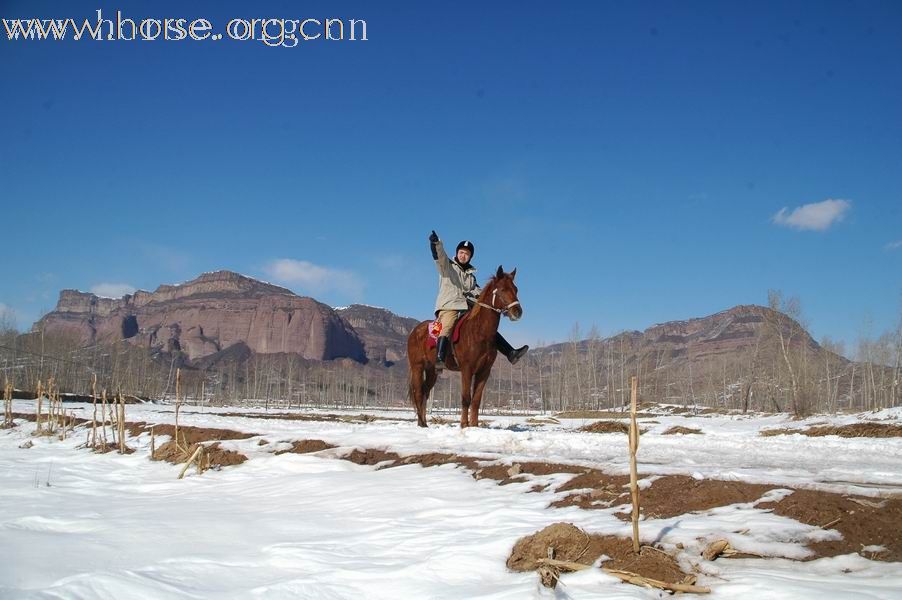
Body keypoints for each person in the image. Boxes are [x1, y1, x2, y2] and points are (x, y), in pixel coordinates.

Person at [429, 230, 528, 369]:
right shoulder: (447, 267)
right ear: (457, 253)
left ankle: (510, 352)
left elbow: (479, 293)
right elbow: (440, 257)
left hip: (467, 308)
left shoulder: (471, 277)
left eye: (467, 254)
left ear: (470, 257)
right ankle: (440, 358)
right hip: (449, 306)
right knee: (448, 324)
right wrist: (436, 244)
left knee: (485, 327)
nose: (464, 255)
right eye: (461, 252)